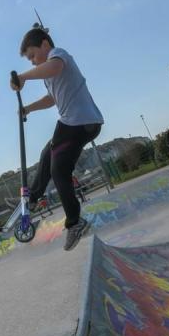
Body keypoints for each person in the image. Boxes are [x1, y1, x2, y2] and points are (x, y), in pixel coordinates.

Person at [10, 27, 104, 251]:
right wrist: (28, 109)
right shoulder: (49, 72)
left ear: (44, 44)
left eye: (33, 55)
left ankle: (74, 222)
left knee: (59, 170)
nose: (33, 62)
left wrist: (22, 77)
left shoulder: (58, 55)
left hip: (77, 122)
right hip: (80, 124)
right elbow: (52, 98)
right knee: (47, 153)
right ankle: (32, 199)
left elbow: (52, 68)